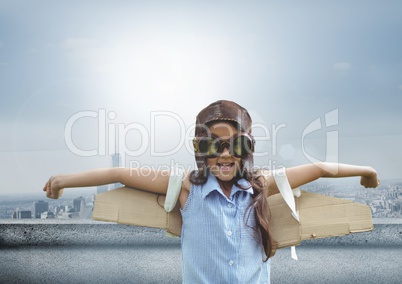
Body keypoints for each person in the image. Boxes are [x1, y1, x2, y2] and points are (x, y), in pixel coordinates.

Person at [43, 100, 380, 283]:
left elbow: (319, 167)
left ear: (247, 149)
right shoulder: (187, 188)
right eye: (212, 145)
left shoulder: (260, 185)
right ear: (199, 149)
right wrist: (63, 181)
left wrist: (368, 172)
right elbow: (120, 173)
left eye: (235, 145)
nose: (223, 155)